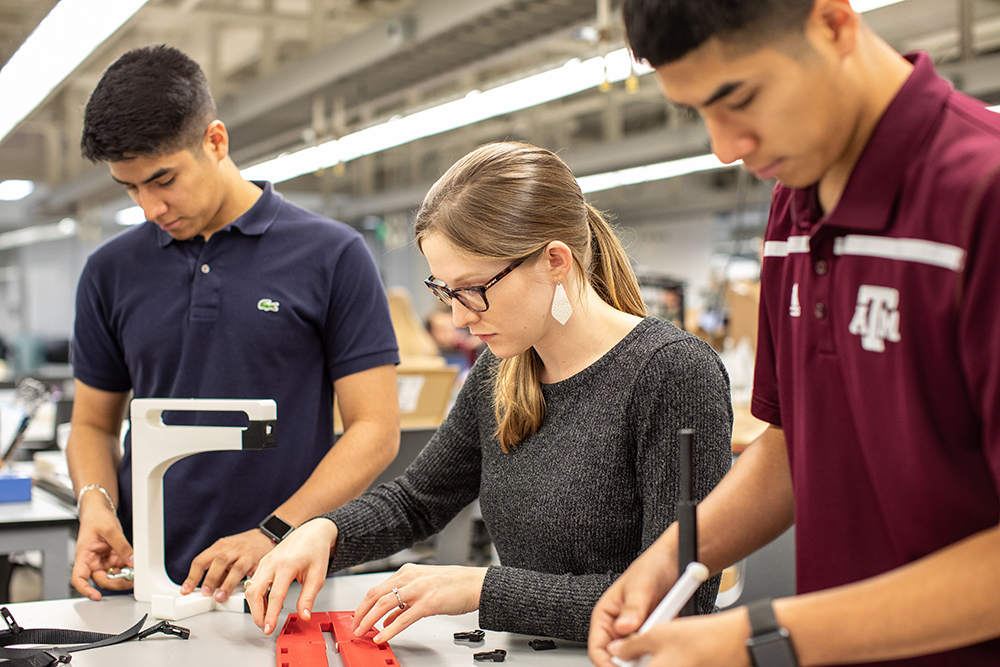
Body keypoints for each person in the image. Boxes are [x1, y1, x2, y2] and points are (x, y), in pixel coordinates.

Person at [589, 1, 1000, 666]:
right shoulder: (794, 206)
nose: (724, 147)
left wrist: (762, 636)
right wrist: (671, 555)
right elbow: (794, 446)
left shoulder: (981, 195)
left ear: (833, 24)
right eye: (699, 112)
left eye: (740, 97)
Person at [245, 141, 733, 642]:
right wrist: (325, 533)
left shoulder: (671, 373)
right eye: (445, 291)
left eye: (473, 289)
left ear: (555, 261)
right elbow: (418, 500)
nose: (458, 317)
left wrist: (483, 589)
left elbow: (680, 602)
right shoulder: (500, 373)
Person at [68, 45, 401, 605]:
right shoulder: (110, 271)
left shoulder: (332, 255)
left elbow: (375, 430)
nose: (150, 206)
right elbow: (92, 425)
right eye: (131, 188)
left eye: (163, 179)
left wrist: (274, 533)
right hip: (140, 584)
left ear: (215, 141)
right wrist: (95, 503)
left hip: (285, 583)